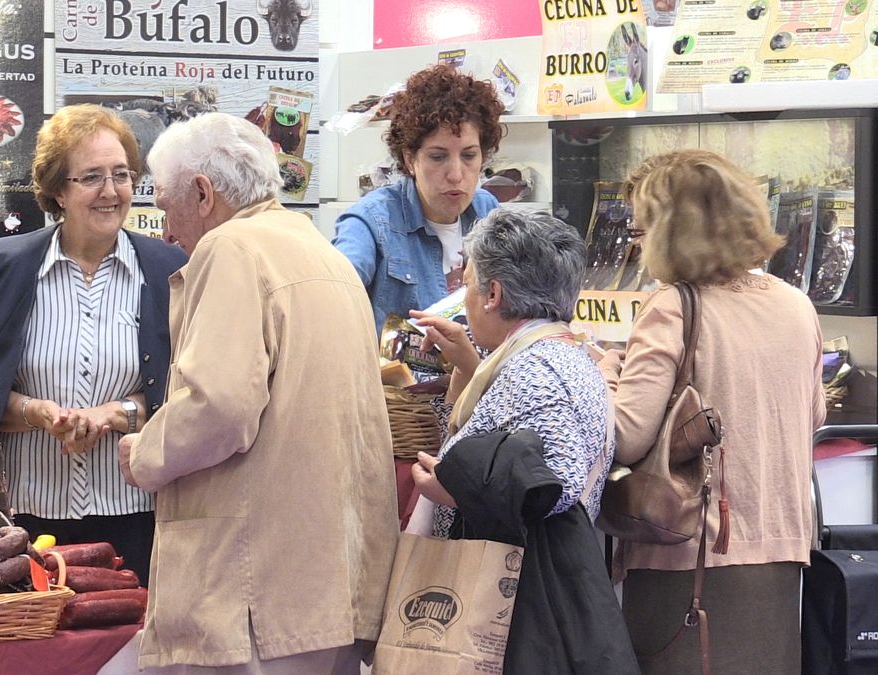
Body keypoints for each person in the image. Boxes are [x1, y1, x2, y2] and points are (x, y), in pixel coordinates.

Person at [116, 112, 399, 673]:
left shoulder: (232, 249)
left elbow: (219, 408)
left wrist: (144, 453)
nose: (167, 232)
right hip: (328, 582)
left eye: (167, 207)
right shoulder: (326, 256)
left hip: (251, 594)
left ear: (202, 193)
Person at [0, 105, 186, 587]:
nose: (110, 192)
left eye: (122, 175)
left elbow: (191, 395)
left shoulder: (168, 267)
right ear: (56, 192)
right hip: (22, 520)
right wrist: (39, 413)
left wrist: (115, 415)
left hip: (138, 514)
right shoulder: (4, 264)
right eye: (91, 177)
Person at [599, 149, 825, 673]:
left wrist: (606, 368)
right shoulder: (796, 304)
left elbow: (625, 436)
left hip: (687, 553)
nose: (636, 245)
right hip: (783, 547)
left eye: (640, 232)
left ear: (668, 232)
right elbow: (811, 417)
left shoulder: (674, 306)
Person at [410, 208, 637, 672]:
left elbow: (553, 486)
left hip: (515, 606)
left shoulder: (540, 371)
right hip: (516, 597)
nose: (466, 297)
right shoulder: (555, 355)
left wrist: (452, 489)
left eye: (470, 284)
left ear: (493, 293)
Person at [333, 64, 504, 331]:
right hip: (396, 373)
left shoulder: (488, 211)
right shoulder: (370, 222)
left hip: (475, 371)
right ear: (410, 159)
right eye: (438, 157)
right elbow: (331, 295)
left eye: (469, 155)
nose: (456, 175)